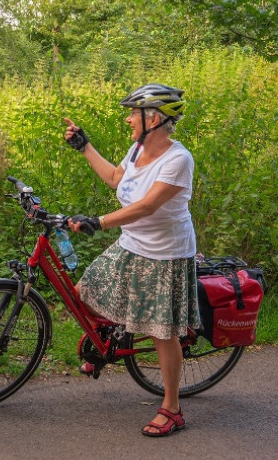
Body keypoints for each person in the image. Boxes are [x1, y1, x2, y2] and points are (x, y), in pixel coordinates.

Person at [64, 83, 200, 437]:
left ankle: (172, 408)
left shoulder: (178, 159)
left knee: (161, 333)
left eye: (133, 114)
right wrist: (85, 146)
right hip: (132, 244)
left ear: (153, 119)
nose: (128, 119)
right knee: (83, 290)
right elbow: (115, 178)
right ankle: (114, 339)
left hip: (164, 254)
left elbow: (147, 206)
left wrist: (99, 221)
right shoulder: (138, 148)